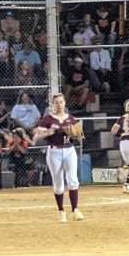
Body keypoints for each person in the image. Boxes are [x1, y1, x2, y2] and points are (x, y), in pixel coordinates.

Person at [33, 93, 85, 222]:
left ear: (65, 103)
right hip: (54, 151)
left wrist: (75, 133)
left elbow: (81, 137)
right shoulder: (48, 119)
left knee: (73, 180)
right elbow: (35, 138)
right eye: (56, 102)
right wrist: (47, 132)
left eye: (61, 102)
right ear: (52, 104)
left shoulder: (71, 118)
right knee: (58, 183)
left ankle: (75, 210)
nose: (59, 105)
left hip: (69, 150)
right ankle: (61, 210)